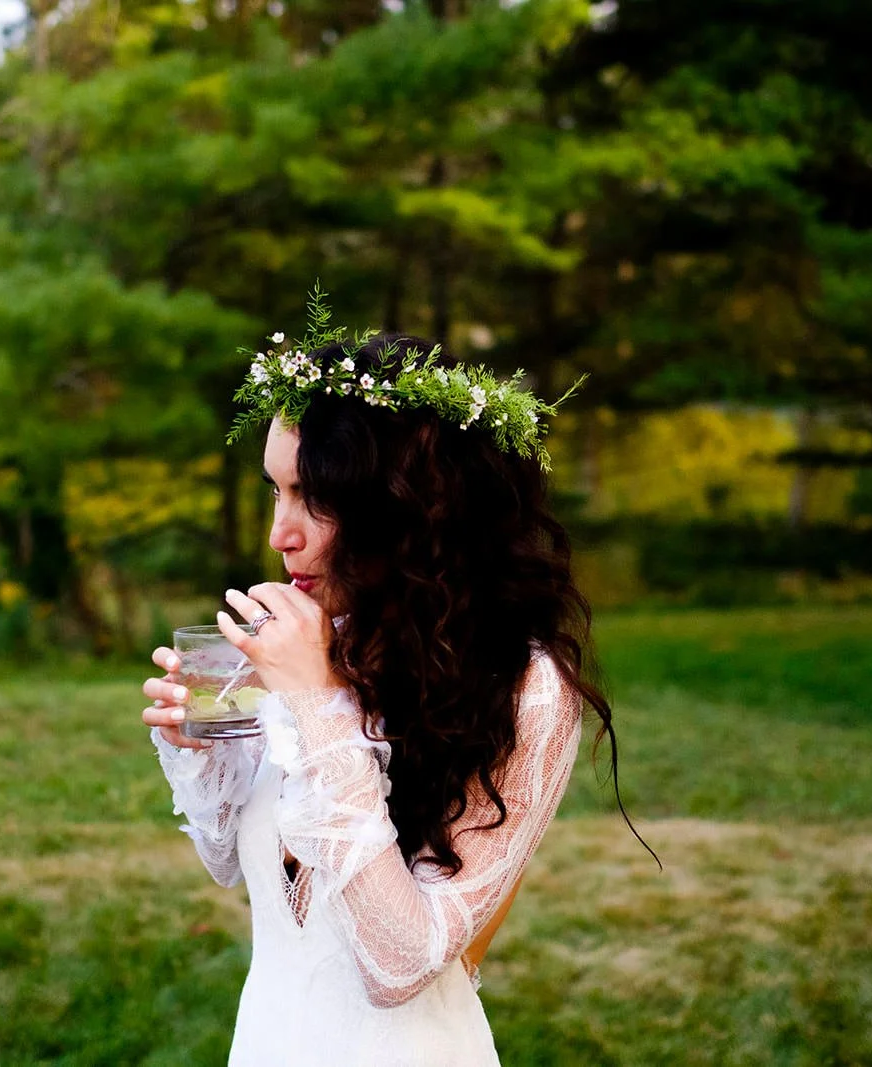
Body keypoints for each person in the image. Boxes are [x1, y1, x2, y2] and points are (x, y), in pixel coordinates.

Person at [139, 303, 642, 1065]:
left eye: (317, 498)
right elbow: (248, 874)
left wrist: (316, 704)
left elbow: (397, 964)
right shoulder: (307, 646)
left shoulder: (525, 687)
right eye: (276, 490)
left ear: (409, 513)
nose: (281, 533)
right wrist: (201, 749)